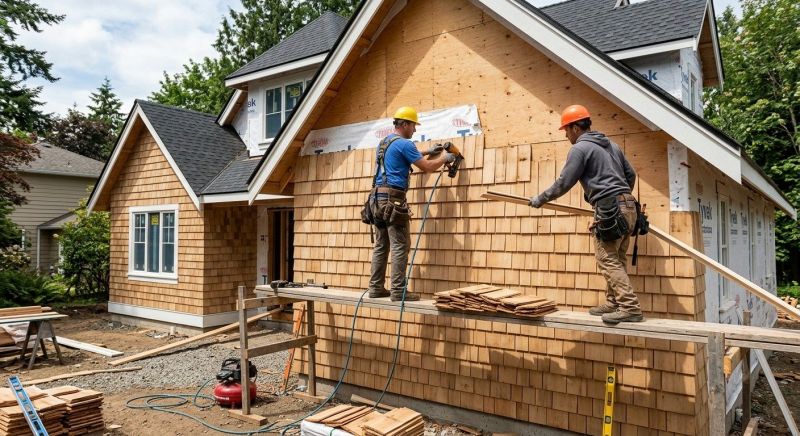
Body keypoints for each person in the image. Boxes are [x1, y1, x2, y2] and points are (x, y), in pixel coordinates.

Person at [529, 104, 643, 324]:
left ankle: (629, 307)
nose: (566, 136)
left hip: (611, 209)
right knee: (617, 257)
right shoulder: (612, 145)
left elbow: (564, 182)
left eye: (566, 131)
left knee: (606, 258)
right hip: (629, 206)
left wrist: (540, 199)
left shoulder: (580, 149)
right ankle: (613, 302)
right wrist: (617, 194)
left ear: (574, 128)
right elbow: (631, 174)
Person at [367, 106, 455, 301]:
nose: (415, 130)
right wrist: (445, 158)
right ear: (405, 124)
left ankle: (376, 288)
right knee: (400, 245)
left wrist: (426, 151)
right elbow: (428, 168)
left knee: (382, 245)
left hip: (376, 200)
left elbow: (401, 155)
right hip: (393, 200)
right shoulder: (405, 144)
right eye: (413, 125)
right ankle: (398, 291)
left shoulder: (385, 142)